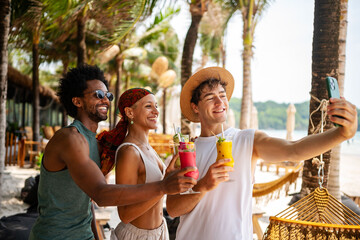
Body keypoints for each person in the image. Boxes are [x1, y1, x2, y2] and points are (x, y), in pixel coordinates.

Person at [166, 66, 358, 240]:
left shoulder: (246, 140)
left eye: (223, 95)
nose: (219, 102)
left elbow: (294, 149)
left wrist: (341, 134)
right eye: (210, 98)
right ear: (195, 107)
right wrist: (204, 186)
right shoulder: (186, 151)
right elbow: (173, 209)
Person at [29, 65, 197, 240]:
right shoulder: (70, 138)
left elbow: (88, 203)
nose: (106, 100)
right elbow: (101, 194)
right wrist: (163, 186)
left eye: (108, 95)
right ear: (77, 101)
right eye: (98, 95)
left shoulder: (96, 144)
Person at [98, 88, 174, 239]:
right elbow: (125, 215)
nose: (156, 111)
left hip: (159, 232)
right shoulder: (129, 152)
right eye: (148, 106)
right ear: (130, 112)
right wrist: (164, 187)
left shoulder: (149, 149)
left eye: (156, 106)